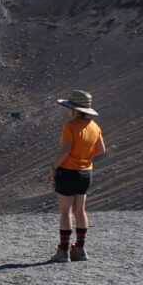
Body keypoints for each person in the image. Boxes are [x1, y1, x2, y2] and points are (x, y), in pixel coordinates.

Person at [44, 90, 105, 262]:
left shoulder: (70, 126)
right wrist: (84, 155)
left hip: (68, 172)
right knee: (80, 210)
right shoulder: (95, 126)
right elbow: (101, 149)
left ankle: (63, 252)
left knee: (65, 212)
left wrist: (53, 169)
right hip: (86, 173)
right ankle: (79, 250)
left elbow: (65, 151)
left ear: (75, 110)